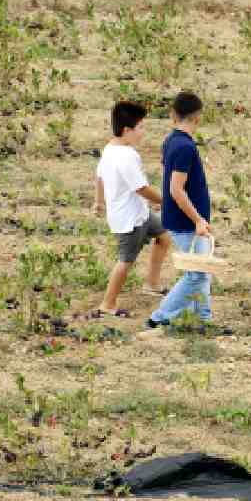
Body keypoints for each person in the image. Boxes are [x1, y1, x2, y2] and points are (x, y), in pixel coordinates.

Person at [92, 101, 172, 317]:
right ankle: (108, 304)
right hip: (129, 220)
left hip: (140, 213)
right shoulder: (126, 156)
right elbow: (141, 188)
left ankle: (152, 284)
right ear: (127, 130)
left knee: (164, 237)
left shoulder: (111, 148)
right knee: (126, 261)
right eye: (141, 127)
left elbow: (99, 176)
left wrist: (99, 202)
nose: (143, 133)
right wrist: (166, 202)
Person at [148, 92, 215, 330]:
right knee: (196, 274)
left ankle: (204, 319)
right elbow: (176, 189)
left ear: (173, 115)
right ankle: (160, 316)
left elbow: (168, 177)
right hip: (186, 221)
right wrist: (197, 219)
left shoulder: (170, 141)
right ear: (198, 117)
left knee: (202, 270)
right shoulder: (185, 147)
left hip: (181, 217)